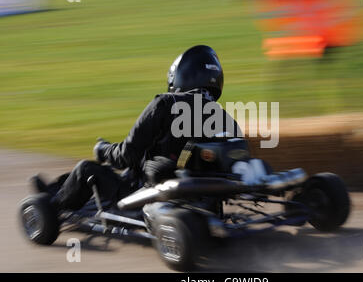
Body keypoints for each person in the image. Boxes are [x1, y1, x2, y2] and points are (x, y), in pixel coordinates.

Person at [32, 45, 240, 212]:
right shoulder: (225, 118)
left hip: (145, 195)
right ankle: (57, 188)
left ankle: (51, 205)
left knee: (86, 169)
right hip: (200, 198)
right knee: (135, 165)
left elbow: (126, 155)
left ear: (182, 75)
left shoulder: (166, 103)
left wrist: (103, 149)